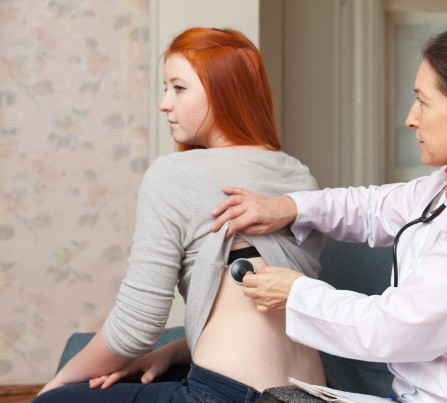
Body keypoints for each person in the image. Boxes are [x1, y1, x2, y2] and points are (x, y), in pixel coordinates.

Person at [211, 25, 447, 402]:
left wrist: (294, 293)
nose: (411, 118)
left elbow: (396, 328)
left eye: (423, 102)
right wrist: (289, 207)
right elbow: (372, 208)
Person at [34, 27, 326, 403]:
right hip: (310, 395)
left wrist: (56, 383)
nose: (164, 103)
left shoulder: (174, 174)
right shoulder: (300, 176)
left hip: (230, 397)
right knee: (152, 370)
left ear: (224, 92)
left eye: (179, 88)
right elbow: (251, 319)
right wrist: (171, 353)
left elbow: (135, 326)